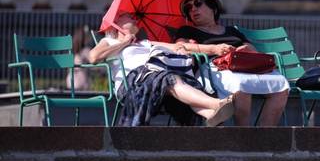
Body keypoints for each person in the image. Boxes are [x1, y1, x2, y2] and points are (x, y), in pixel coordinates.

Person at [89, 13, 236, 127]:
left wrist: (213, 48)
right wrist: (124, 43)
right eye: (129, 17)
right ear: (116, 23)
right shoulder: (109, 41)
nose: (135, 20)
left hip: (158, 75)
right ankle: (216, 104)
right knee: (168, 78)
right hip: (133, 82)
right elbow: (93, 57)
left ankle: (211, 115)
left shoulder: (146, 43)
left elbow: (176, 47)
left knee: (176, 79)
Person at [175, 0, 289, 126]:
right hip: (215, 69)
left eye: (198, 3)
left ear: (213, 7)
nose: (193, 9)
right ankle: (243, 136)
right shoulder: (187, 31)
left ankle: (264, 136)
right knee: (241, 86)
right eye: (188, 7)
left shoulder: (231, 30)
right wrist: (214, 49)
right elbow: (180, 46)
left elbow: (251, 48)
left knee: (281, 84)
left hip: (244, 65)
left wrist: (245, 49)